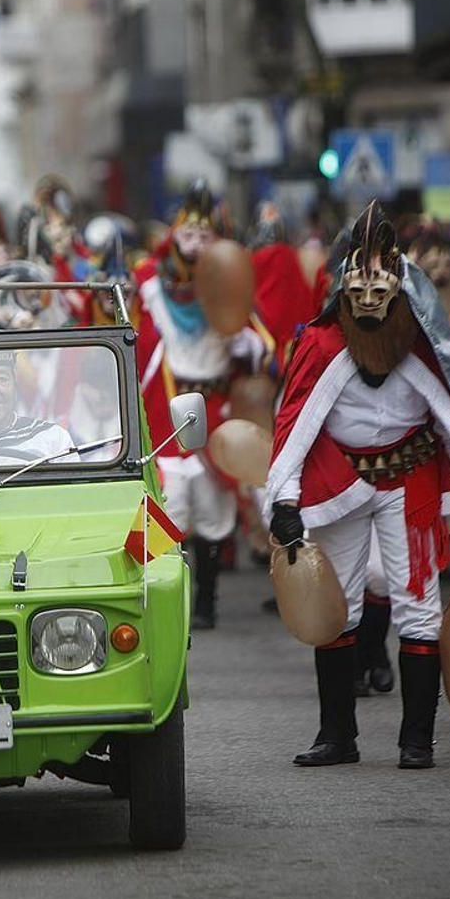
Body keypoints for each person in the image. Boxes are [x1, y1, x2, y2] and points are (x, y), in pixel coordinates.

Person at [267, 202, 450, 770]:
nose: (369, 300)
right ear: (343, 288)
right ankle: (337, 736)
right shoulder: (320, 345)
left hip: (411, 485)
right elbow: (294, 426)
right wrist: (284, 499)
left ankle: (417, 740)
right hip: (342, 485)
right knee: (338, 609)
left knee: (419, 609)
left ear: (399, 287)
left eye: (380, 289)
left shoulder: (423, 345)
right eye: (358, 290)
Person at [135, 181, 275, 630]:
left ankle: (206, 601)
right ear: (174, 236)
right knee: (166, 500)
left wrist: (247, 343)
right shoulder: (148, 284)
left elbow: (262, 343)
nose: (195, 244)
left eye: (204, 236)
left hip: (214, 406)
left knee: (214, 506)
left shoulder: (229, 284)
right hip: (166, 406)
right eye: (188, 234)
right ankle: (150, 597)